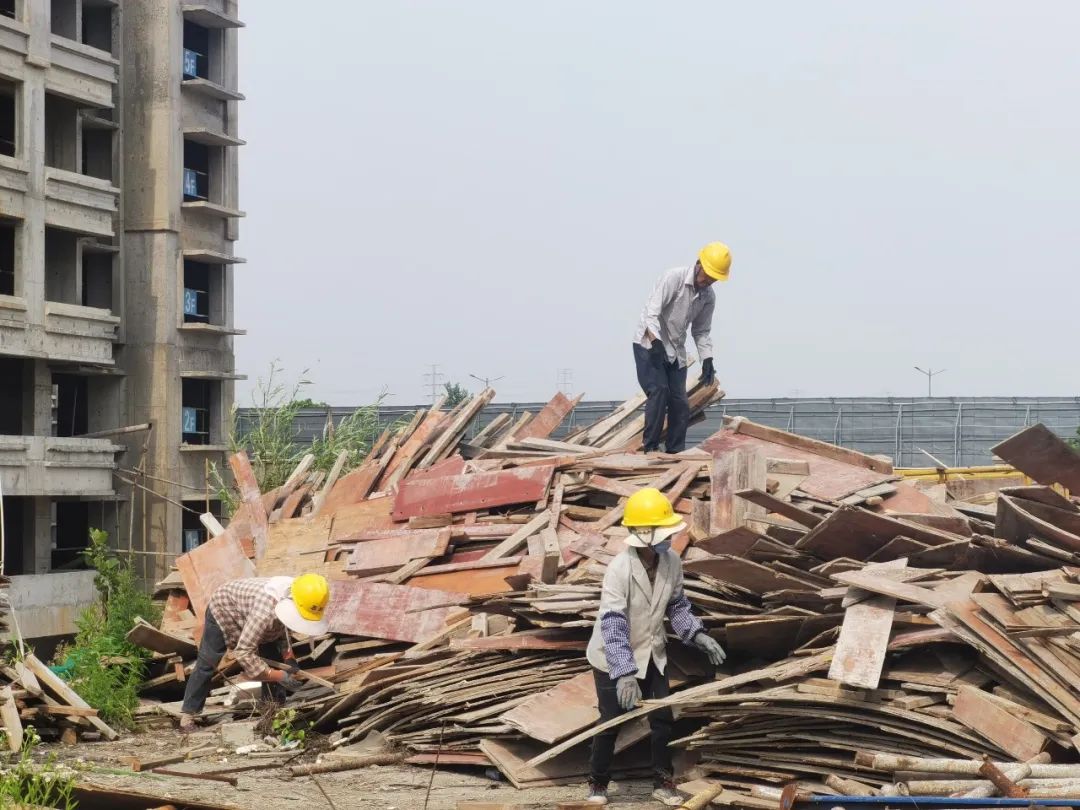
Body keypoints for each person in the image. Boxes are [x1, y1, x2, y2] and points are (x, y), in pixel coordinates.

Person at [583, 488, 726, 806]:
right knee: (612, 720)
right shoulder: (619, 569)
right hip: (612, 656)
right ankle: (597, 784)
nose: (669, 538)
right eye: (663, 533)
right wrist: (623, 672)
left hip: (651, 653)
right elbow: (613, 623)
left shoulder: (671, 560)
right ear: (641, 533)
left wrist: (698, 635)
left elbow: (677, 606)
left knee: (662, 720)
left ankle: (663, 781)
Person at [178, 573, 331, 733]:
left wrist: (289, 658)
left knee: (274, 658)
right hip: (223, 609)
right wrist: (278, 676)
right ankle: (188, 716)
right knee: (208, 662)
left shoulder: (302, 595)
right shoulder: (264, 613)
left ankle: (272, 712)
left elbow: (284, 628)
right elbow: (243, 652)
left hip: (252, 612)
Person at [633, 242, 731, 453]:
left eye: (715, 278)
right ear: (699, 264)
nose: (709, 281)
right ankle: (649, 448)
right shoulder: (674, 278)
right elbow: (650, 313)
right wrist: (656, 342)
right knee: (659, 391)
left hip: (675, 351)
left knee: (680, 403)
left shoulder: (708, 297)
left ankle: (675, 452)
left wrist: (707, 359)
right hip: (649, 343)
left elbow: (701, 331)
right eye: (708, 275)